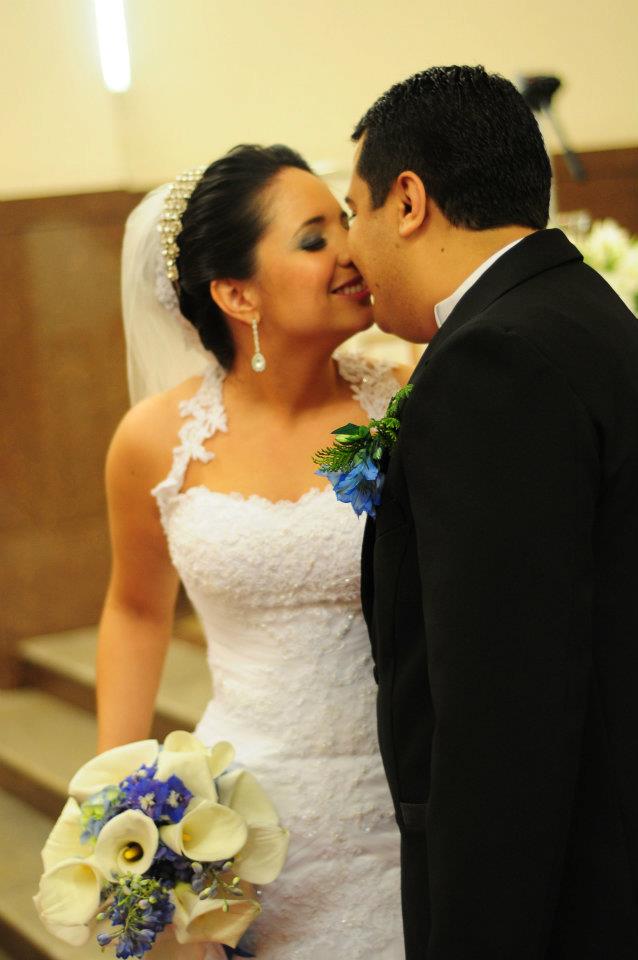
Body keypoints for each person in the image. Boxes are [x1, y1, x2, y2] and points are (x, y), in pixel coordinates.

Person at [347, 65, 638, 959]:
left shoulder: (492, 361)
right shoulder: (576, 307)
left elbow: (502, 705)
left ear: (408, 201)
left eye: (352, 210)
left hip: (560, 892)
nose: (352, 249)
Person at [98, 143, 409, 958]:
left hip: (403, 803)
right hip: (239, 818)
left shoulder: (409, 403)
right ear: (238, 294)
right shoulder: (154, 441)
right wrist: (117, 806)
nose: (350, 248)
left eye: (345, 220)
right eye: (314, 238)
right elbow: (135, 610)